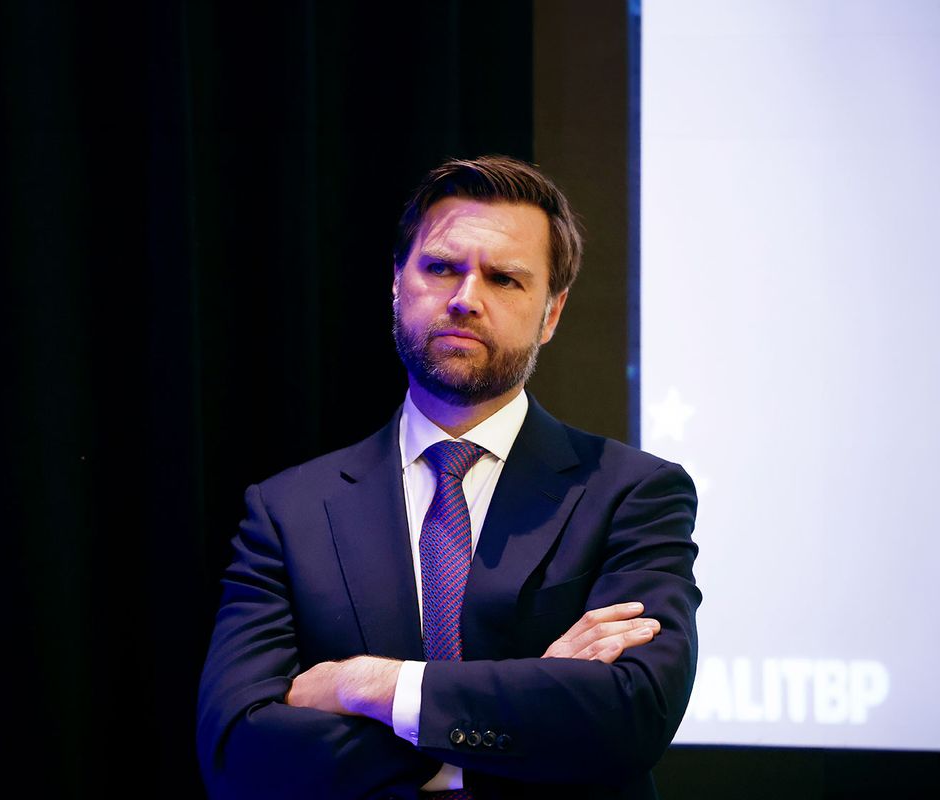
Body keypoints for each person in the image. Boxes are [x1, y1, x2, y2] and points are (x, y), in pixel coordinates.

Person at [196, 155, 700, 799]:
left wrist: (369, 688)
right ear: (397, 285)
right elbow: (236, 750)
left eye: (505, 279)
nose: (465, 299)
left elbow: (632, 715)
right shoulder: (288, 511)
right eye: (440, 268)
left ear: (551, 313)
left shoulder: (633, 493)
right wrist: (528, 705)